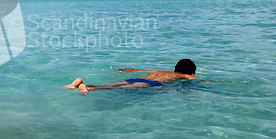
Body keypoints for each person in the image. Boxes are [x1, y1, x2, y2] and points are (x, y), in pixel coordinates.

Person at [62, 59, 198, 95]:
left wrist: (120, 70)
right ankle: (88, 89)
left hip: (136, 78)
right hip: (151, 84)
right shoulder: (185, 76)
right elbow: (196, 81)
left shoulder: (158, 71)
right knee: (115, 89)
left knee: (112, 85)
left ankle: (79, 83)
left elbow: (132, 70)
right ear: (191, 72)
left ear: (174, 68)